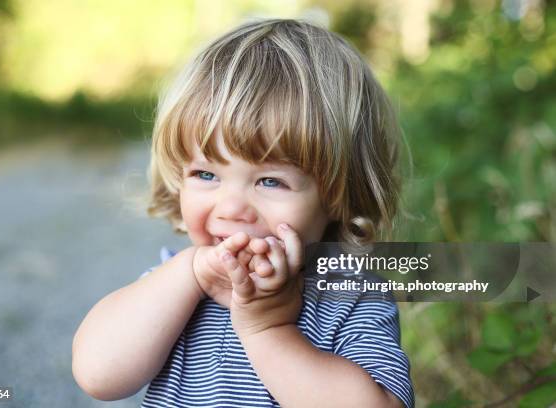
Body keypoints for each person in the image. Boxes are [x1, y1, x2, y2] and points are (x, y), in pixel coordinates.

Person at [72, 18, 414, 408]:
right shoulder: (177, 286)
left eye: (270, 181)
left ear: (338, 194)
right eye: (205, 174)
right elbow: (97, 375)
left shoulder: (353, 298)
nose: (232, 209)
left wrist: (268, 328)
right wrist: (191, 273)